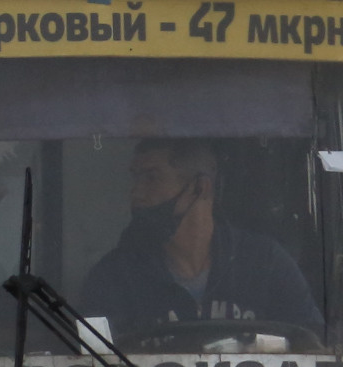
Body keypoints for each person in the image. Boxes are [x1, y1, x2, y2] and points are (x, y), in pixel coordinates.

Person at [74, 138, 322, 346]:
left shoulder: (266, 265)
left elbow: (317, 355)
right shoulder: (114, 279)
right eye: (135, 179)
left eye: (152, 178)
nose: (136, 193)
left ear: (200, 187)